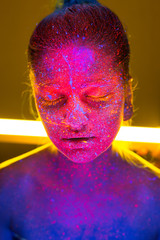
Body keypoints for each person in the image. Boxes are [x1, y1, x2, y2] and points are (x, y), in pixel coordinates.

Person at [0, 0, 160, 239]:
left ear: (127, 98)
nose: (74, 121)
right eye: (52, 98)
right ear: (35, 99)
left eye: (97, 96)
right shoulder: (6, 194)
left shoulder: (155, 203)